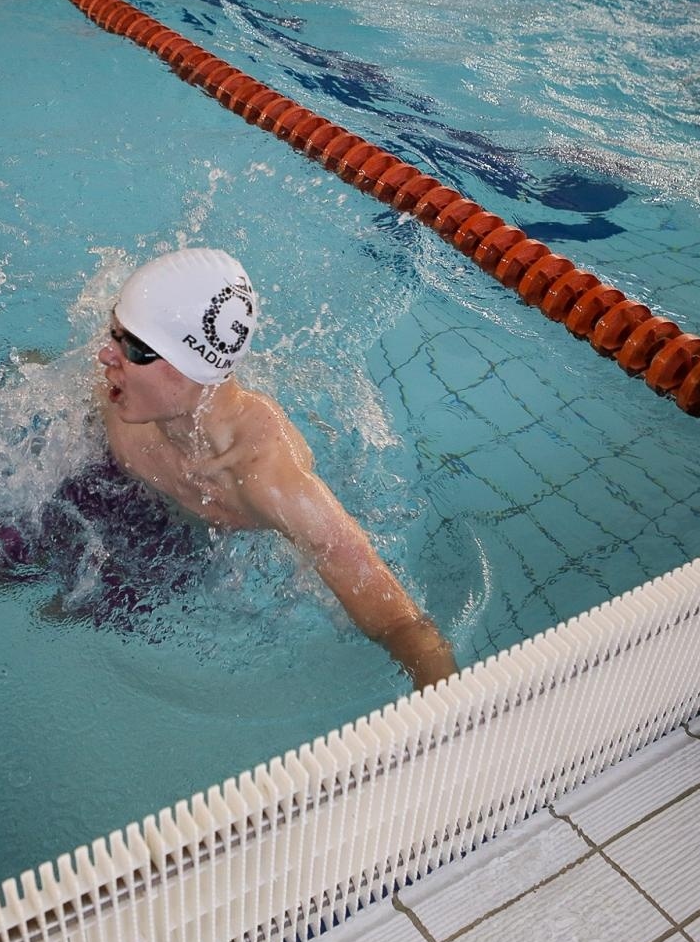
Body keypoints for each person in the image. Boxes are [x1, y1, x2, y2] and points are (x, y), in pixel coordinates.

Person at [97, 247, 458, 690]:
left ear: (193, 367)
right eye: (114, 331)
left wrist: (451, 712)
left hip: (186, 554)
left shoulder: (263, 476)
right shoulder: (121, 395)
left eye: (133, 348)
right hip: (109, 488)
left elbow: (401, 623)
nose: (105, 355)